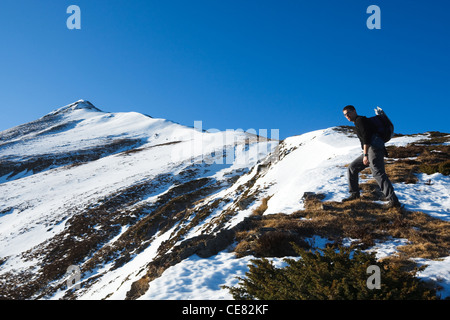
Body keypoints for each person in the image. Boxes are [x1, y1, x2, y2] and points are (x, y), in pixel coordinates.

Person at [342, 105, 401, 209]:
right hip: (371, 149)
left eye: (348, 113)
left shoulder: (360, 120)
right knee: (352, 168)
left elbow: (366, 137)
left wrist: (365, 155)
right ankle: (354, 194)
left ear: (354, 111)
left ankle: (393, 200)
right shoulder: (358, 122)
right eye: (345, 115)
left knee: (378, 173)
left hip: (374, 148)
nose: (347, 116)